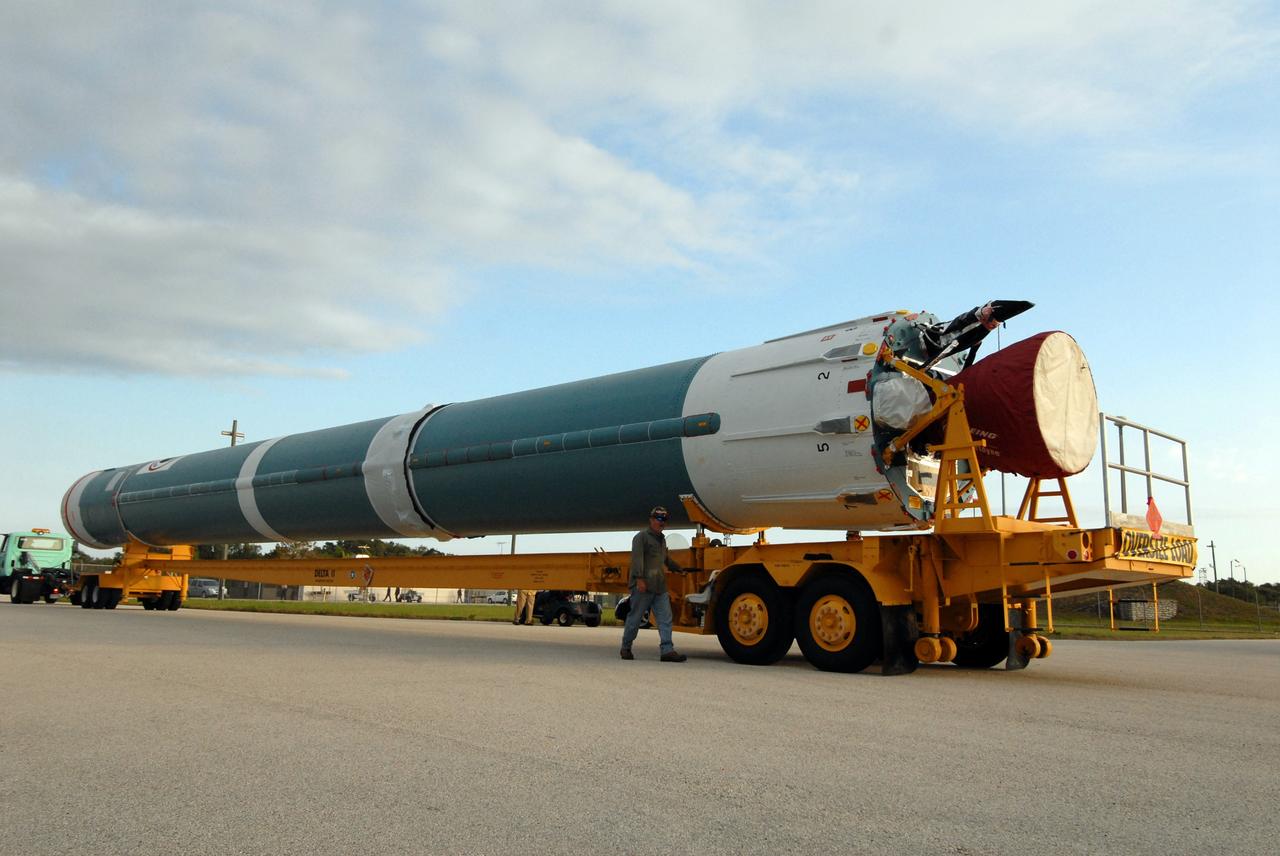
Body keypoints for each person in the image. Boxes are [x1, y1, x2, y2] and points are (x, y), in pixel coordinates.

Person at [620, 506, 687, 662]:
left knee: (665, 618)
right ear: (651, 520)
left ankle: (667, 650)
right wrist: (639, 579)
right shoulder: (641, 537)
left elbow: (665, 559)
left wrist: (678, 568)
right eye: (659, 518)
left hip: (660, 586)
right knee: (635, 618)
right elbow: (637, 559)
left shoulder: (662, 540)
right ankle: (626, 647)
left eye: (664, 519)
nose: (661, 522)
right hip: (643, 585)